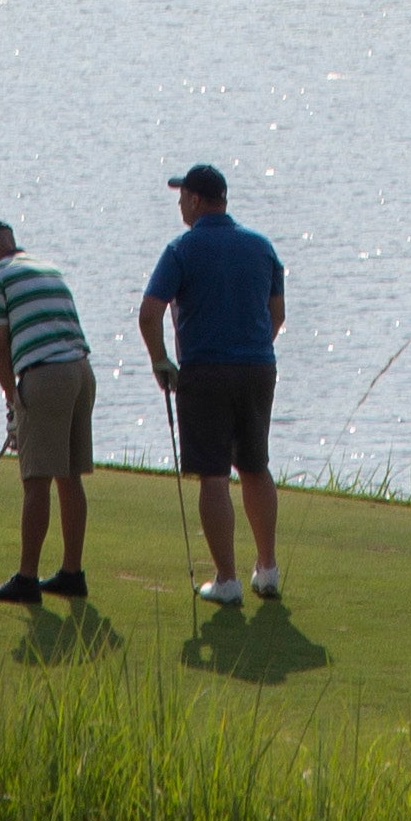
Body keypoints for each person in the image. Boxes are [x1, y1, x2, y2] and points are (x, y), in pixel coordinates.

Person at [137, 159, 287, 605]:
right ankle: (267, 569)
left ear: (198, 200)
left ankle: (226, 578)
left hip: (205, 371)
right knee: (256, 466)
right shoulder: (261, 247)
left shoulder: (182, 248)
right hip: (259, 366)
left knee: (214, 474)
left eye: (183, 196)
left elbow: (149, 312)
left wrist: (161, 360)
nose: (181, 203)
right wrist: (252, 345)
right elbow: (275, 314)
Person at [0, 217, 95, 603]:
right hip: (81, 372)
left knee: (36, 479)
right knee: (70, 476)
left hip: (46, 376)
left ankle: (26, 579)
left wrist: (12, 398)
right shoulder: (47, 266)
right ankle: (72, 574)